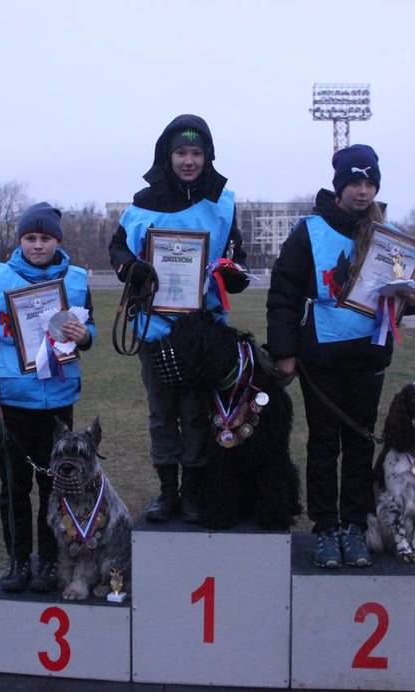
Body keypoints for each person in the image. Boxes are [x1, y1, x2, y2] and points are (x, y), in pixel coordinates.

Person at [266, 144, 415, 569]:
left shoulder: (387, 236)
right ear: (339, 186)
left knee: (359, 444)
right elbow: (282, 292)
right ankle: (325, 529)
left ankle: (355, 526)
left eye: (369, 182)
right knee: (323, 445)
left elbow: (408, 290)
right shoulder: (310, 231)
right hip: (320, 359)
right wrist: (284, 352)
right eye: (354, 182)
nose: (362, 190)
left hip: (368, 357)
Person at [108, 114, 249, 524]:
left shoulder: (222, 202)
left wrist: (231, 273)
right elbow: (118, 249)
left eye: (197, 153)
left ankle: (193, 493)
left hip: (200, 330)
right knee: (161, 413)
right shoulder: (141, 203)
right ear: (167, 156)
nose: (189, 161)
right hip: (154, 328)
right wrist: (130, 268)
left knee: (195, 412)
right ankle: (167, 492)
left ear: (208, 156)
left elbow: (236, 258)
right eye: (181, 153)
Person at [0, 202, 95, 592]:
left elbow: (89, 334)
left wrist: (84, 336)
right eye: (30, 238)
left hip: (57, 404)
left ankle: (48, 562)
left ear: (57, 240)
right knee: (15, 488)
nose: (38, 245)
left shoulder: (75, 280)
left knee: (54, 488)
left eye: (45, 238)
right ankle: (18, 561)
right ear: (20, 240)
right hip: (12, 404)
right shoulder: (1, 278)